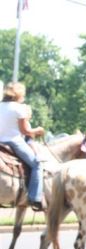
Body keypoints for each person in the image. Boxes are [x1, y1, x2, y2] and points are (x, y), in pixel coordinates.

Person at [0, 82, 45, 211]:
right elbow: (25, 131)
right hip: (14, 142)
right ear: (19, 95)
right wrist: (38, 130)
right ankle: (35, 198)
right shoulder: (19, 108)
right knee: (37, 164)